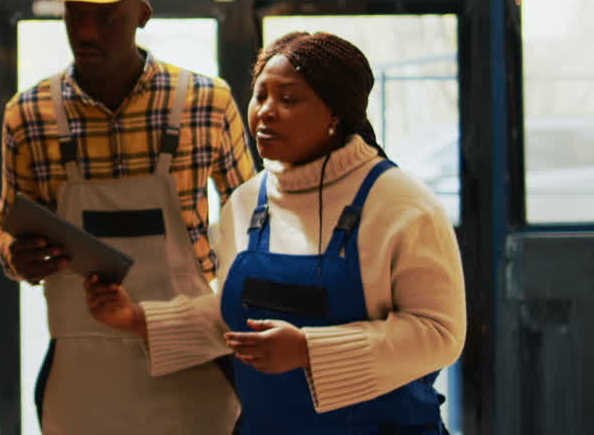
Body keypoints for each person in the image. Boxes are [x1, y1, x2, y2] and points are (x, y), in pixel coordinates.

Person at [84, 31, 466, 434]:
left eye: (288, 99)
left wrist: (307, 350)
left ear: (335, 113)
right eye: (260, 95)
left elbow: (439, 333)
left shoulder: (403, 205)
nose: (264, 112)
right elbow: (233, 321)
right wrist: (136, 318)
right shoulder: (247, 203)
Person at [0, 0, 256, 434]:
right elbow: (6, 226)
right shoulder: (28, 116)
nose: (87, 33)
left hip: (194, 362)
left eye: (106, 17)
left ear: (142, 13)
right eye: (76, 15)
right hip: (81, 373)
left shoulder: (207, 104)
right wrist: (16, 256)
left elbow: (255, 229)